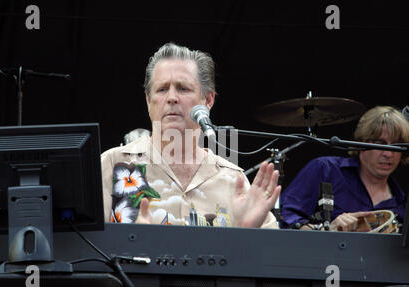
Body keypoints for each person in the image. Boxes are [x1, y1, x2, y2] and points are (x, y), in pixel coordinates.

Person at [100, 42, 281, 228]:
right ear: (148, 100)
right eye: (162, 89)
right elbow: (79, 249)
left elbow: (273, 254)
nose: (171, 97)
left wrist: (247, 231)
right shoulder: (112, 164)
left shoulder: (234, 180)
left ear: (208, 100)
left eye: (183, 89)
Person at [280, 106, 409, 231]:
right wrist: (326, 230)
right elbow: (284, 218)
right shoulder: (326, 169)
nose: (388, 154)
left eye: (397, 146)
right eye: (380, 144)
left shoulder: (401, 202)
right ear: (361, 142)